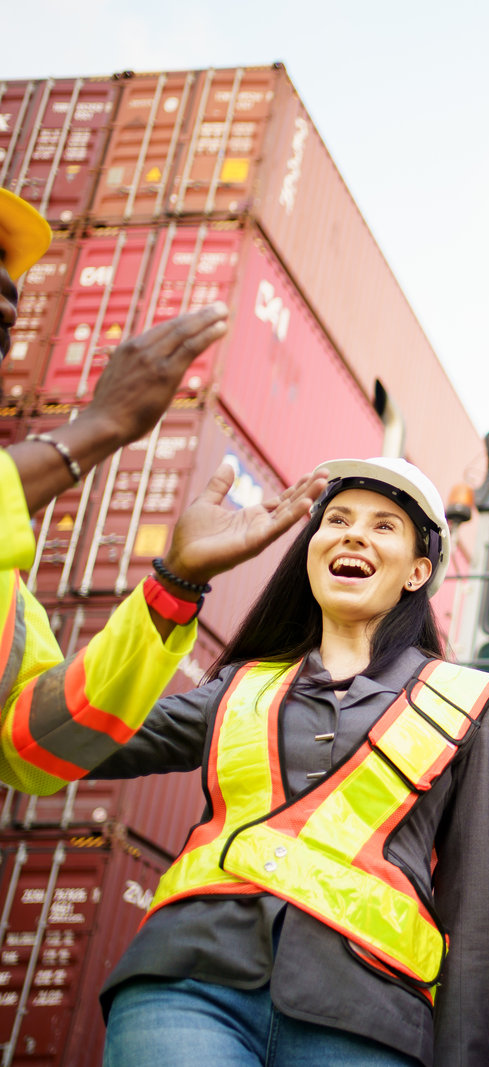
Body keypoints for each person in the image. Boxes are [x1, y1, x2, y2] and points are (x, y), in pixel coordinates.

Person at [64, 457, 489, 1067]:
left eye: (384, 527)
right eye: (338, 520)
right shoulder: (239, 687)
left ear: (418, 572)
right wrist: (177, 580)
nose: (353, 534)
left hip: (367, 1016)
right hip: (189, 978)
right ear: (311, 549)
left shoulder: (469, 701)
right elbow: (73, 739)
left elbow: (473, 914)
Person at [0, 189, 260, 775]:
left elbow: (36, 746)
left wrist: (178, 584)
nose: (10, 311)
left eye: (11, 300)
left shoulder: (5, 592)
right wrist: (100, 427)